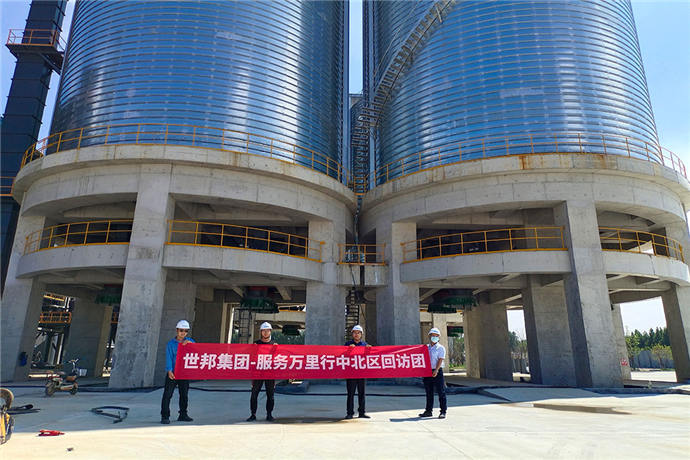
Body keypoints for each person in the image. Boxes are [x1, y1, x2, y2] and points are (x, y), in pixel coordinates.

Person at [161, 320, 195, 424]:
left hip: (184, 373)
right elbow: (169, 357)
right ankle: (165, 416)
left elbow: (198, 351)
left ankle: (183, 414)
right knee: (168, 395)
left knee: (184, 394)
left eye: (185, 331)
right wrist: (169, 370)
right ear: (177, 330)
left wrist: (190, 345)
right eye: (181, 330)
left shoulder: (190, 341)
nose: (183, 333)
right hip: (173, 372)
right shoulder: (171, 344)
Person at [247, 322, 276, 422]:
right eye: (264, 331)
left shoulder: (274, 345)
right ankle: (253, 414)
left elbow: (278, 359)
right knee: (254, 394)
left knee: (270, 395)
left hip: (270, 373)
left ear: (270, 331)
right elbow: (252, 357)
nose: (265, 333)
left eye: (267, 331)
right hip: (258, 373)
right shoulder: (256, 344)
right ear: (261, 332)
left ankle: (269, 414)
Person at [419, 327, 447, 419]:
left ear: (438, 337)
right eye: (432, 335)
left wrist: (436, 370)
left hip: (437, 371)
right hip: (427, 372)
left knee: (441, 392)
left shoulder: (440, 348)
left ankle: (443, 411)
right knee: (429, 392)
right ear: (429, 336)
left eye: (436, 336)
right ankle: (428, 411)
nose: (434, 337)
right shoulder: (426, 348)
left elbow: (440, 359)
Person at [344, 324, 371, 419]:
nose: (356, 334)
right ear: (352, 334)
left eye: (358, 333)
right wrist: (348, 350)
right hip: (351, 373)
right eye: (355, 333)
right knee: (350, 394)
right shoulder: (347, 344)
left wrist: (369, 350)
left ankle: (362, 412)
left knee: (362, 393)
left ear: (361, 334)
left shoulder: (365, 345)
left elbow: (368, 358)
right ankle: (350, 413)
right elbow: (343, 356)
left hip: (361, 373)